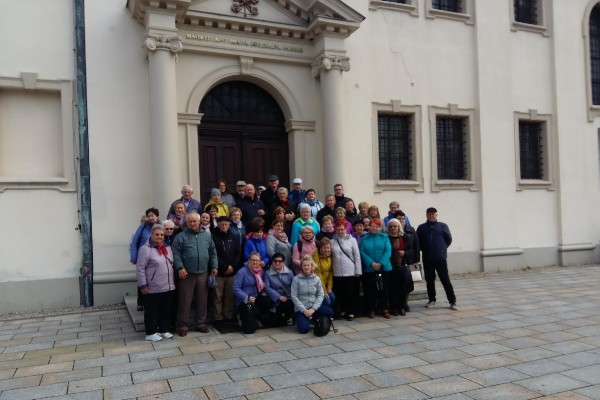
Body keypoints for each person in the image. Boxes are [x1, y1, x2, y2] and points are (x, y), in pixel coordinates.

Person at [171, 212, 218, 336]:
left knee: (202, 300)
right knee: (185, 300)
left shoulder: (207, 236)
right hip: (186, 274)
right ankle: (183, 325)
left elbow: (212, 252)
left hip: (203, 272)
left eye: (194, 221)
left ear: (199, 222)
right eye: (190, 221)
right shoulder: (180, 237)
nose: (192, 223)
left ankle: (200, 324)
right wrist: (180, 267)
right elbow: (176, 254)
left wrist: (214, 266)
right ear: (186, 223)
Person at [136, 224, 176, 342]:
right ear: (152, 235)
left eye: (162, 235)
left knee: (165, 309)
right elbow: (140, 268)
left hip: (167, 285)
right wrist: (143, 285)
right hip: (153, 287)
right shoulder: (145, 249)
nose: (160, 237)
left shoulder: (167, 247)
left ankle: (164, 329)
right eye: (157, 234)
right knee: (152, 311)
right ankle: (150, 332)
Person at [416, 207, 457, 311]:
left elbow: (448, 240)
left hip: (440, 258)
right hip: (427, 258)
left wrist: (442, 249)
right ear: (426, 215)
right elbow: (417, 242)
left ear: (436, 215)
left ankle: (452, 301)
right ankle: (431, 299)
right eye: (429, 214)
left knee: (445, 280)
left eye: (433, 214)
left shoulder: (443, 226)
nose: (431, 216)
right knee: (429, 280)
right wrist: (424, 249)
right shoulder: (421, 228)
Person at [290, 255, 334, 334]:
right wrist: (304, 310)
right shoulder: (296, 279)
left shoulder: (316, 278)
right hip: (302, 309)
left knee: (330, 312)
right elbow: (293, 296)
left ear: (311, 266)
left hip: (314, 307)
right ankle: (304, 319)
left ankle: (314, 318)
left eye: (308, 265)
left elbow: (320, 295)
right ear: (301, 267)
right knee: (304, 329)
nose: (306, 267)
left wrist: (313, 309)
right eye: (304, 265)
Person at [232, 251, 273, 333]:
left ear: (259, 261)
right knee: (249, 330)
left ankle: (256, 318)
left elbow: (263, 283)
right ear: (249, 260)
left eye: (257, 260)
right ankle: (243, 316)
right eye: (253, 260)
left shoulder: (261, 270)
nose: (255, 262)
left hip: (256, 297)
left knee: (269, 300)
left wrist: (264, 291)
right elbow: (235, 288)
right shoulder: (242, 272)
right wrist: (246, 298)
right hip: (244, 300)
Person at [211, 216, 242, 325]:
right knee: (217, 297)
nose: (224, 226)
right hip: (219, 272)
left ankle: (228, 315)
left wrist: (232, 267)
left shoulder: (234, 236)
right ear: (218, 225)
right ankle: (218, 317)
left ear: (229, 225)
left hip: (232, 272)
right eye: (222, 224)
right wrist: (224, 267)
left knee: (230, 296)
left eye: (226, 224)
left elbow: (238, 253)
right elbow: (213, 254)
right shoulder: (213, 237)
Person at [359, 219, 392, 319]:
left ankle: (385, 309)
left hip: (384, 268)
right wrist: (371, 263)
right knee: (370, 290)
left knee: (384, 289)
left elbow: (388, 251)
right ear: (369, 226)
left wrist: (381, 263)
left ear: (379, 227)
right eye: (372, 226)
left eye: (376, 226)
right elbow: (362, 251)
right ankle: (371, 309)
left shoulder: (384, 237)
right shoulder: (364, 238)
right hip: (370, 268)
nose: (374, 228)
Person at [130, 207, 160, 311]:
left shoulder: (161, 226)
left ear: (157, 217)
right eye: (149, 216)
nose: (151, 217)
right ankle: (141, 302)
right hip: (144, 256)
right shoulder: (143, 227)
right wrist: (134, 257)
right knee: (142, 279)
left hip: (157, 257)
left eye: (153, 215)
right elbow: (134, 242)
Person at [388, 214, 419, 316]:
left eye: (395, 226)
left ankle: (402, 307)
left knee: (403, 287)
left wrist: (405, 253)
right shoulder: (386, 238)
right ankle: (394, 308)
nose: (393, 228)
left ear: (399, 227)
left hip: (403, 265)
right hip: (390, 267)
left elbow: (411, 250)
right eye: (391, 226)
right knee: (392, 288)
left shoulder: (405, 237)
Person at [331, 221, 361, 321]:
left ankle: (351, 311)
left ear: (346, 229)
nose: (340, 231)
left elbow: (357, 256)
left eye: (342, 229)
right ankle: (342, 310)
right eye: (338, 229)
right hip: (337, 272)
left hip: (350, 271)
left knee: (350, 293)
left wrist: (358, 270)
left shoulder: (352, 240)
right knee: (340, 293)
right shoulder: (332, 241)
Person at [264, 252, 295, 326]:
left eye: (280, 261)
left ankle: (289, 316)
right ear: (272, 262)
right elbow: (267, 288)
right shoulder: (267, 273)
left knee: (289, 304)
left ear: (283, 263)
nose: (277, 263)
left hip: (288, 298)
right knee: (276, 322)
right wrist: (279, 297)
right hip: (275, 299)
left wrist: (290, 296)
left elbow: (294, 285)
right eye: (275, 261)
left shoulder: (289, 272)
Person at [313, 237, 335, 308]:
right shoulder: (316, 256)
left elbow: (330, 272)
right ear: (320, 248)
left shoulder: (329, 257)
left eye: (328, 248)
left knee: (332, 298)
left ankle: (328, 314)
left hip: (326, 284)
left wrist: (329, 286)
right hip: (317, 285)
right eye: (324, 248)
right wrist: (324, 291)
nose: (326, 250)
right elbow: (318, 274)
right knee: (327, 300)